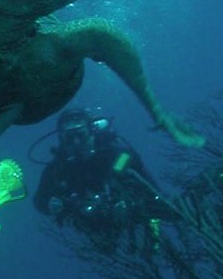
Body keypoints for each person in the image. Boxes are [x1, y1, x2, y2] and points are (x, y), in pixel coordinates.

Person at [33, 107, 165, 254]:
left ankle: (151, 236)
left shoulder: (119, 156)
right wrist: (50, 204)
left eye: (80, 135)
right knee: (104, 246)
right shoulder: (57, 168)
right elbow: (39, 200)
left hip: (128, 209)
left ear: (91, 131)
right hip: (89, 217)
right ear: (61, 138)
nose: (76, 142)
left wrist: (131, 203)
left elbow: (151, 190)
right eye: (69, 137)